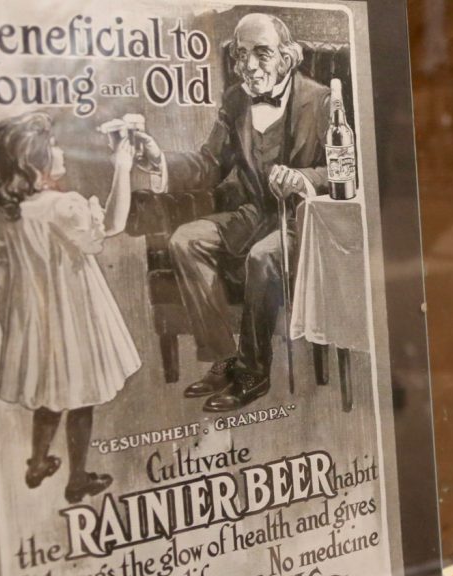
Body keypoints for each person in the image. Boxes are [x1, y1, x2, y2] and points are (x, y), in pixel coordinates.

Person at [136, 13, 331, 412]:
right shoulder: (236, 100)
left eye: (262, 53)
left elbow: (346, 168)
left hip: (302, 220)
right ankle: (223, 357)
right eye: (243, 55)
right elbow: (209, 163)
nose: (251, 65)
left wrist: (301, 177)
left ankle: (252, 373)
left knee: (263, 257)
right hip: (251, 213)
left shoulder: (321, 99)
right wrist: (161, 161)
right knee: (186, 240)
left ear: (286, 57)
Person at [0, 111, 141, 503]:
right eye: (51, 145)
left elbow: (1, 280)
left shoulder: (8, 214)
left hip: (38, 323)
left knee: (50, 397)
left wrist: (11, 324)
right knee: (80, 399)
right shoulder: (63, 206)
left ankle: (37, 462)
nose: (59, 149)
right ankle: (77, 478)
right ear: (32, 160)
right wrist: (122, 166)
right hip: (75, 321)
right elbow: (112, 224)